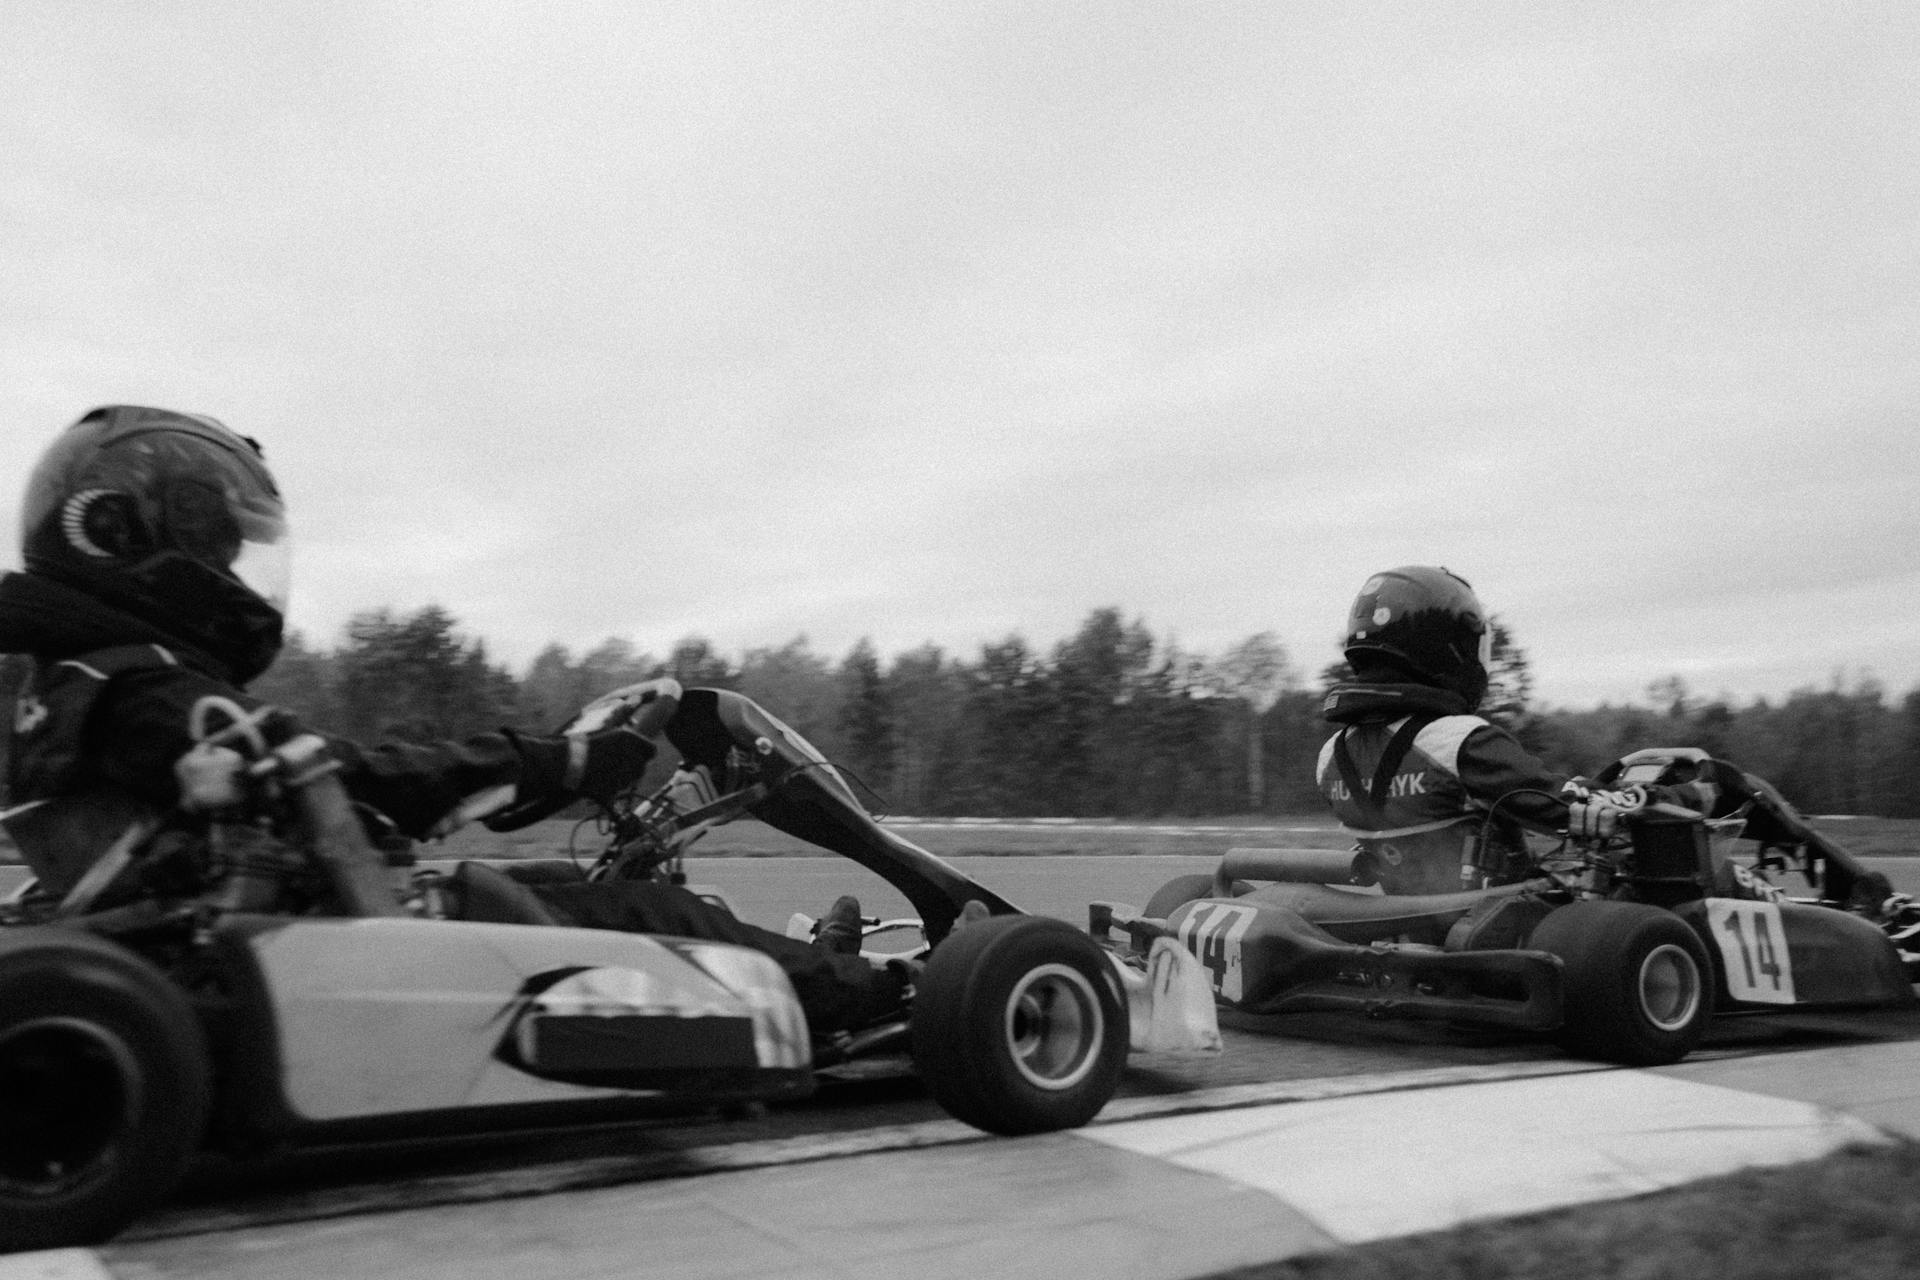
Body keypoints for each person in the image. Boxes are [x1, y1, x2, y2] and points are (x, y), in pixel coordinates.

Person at [0, 405, 899, 1031]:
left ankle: (818, 973)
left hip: (274, 912)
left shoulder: (66, 684)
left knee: (575, 877)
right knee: (657, 912)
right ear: (116, 536)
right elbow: (349, 777)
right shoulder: (151, 693)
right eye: (212, 552)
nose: (231, 579)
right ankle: (896, 994)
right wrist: (562, 763)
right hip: (333, 948)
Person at [1316, 565, 1722, 895]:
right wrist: (1682, 795)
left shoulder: (1330, 756)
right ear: (1449, 648)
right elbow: (1562, 808)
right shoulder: (1458, 741)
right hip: (1494, 929)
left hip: (1406, 922)